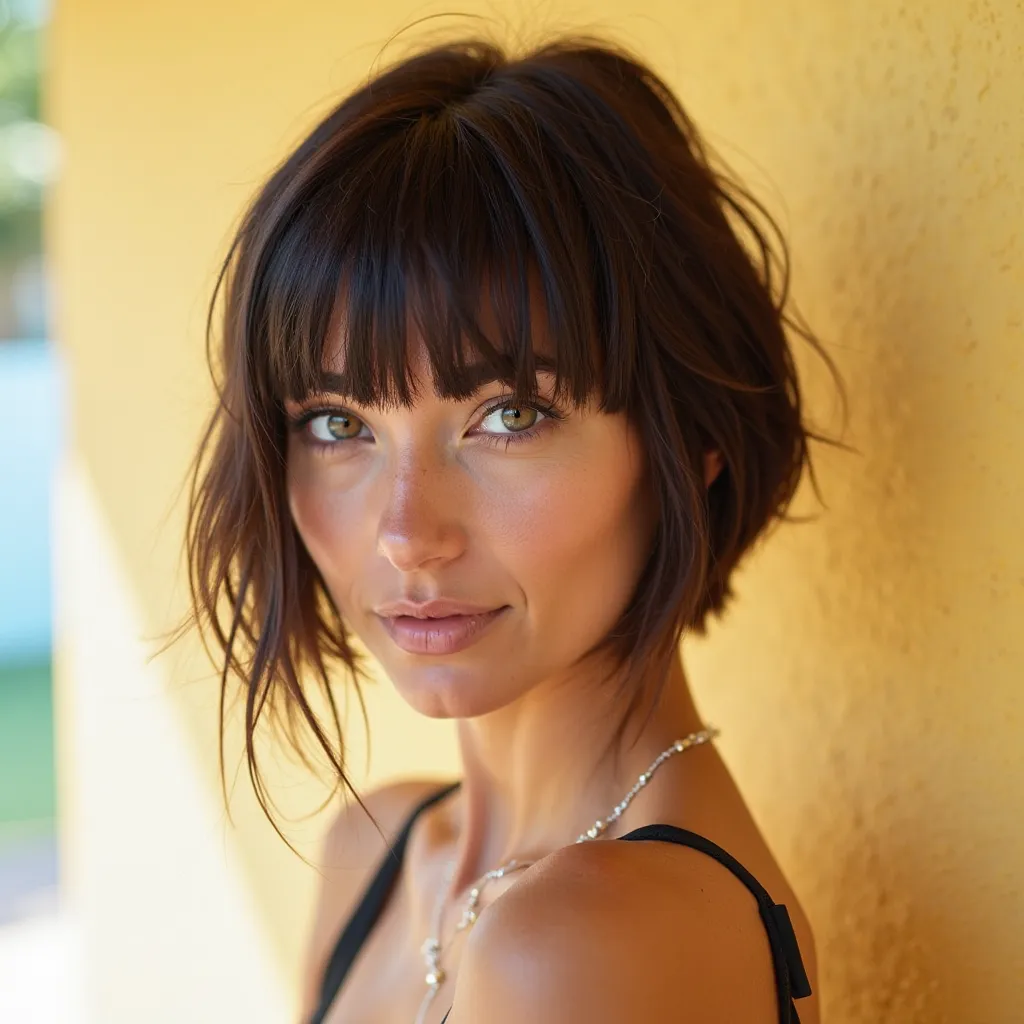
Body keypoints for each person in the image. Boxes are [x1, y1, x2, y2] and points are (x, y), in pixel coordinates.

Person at [181, 28, 843, 1024]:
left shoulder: (594, 940)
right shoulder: (381, 851)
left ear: (691, 437)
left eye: (509, 415)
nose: (407, 532)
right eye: (338, 422)